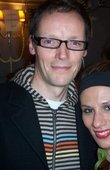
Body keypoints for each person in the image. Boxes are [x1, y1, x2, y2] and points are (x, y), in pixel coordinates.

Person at [0, 0, 97, 170]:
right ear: (32, 45)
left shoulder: (93, 112)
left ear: (84, 51)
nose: (62, 55)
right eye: (50, 41)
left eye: (74, 43)